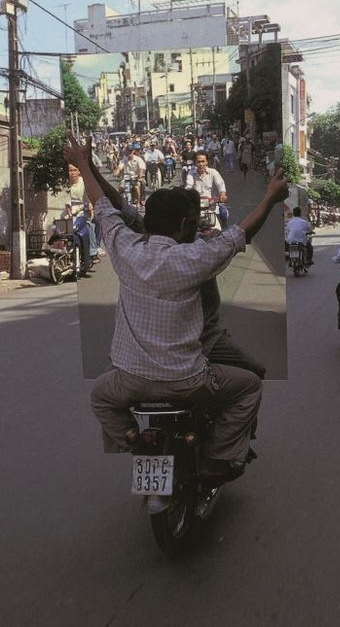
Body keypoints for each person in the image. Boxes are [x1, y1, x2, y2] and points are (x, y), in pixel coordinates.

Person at [64, 134, 289, 484]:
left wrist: (85, 165)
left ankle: (130, 437)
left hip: (137, 374)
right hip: (190, 371)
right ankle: (220, 455)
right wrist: (272, 197)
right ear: (186, 224)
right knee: (249, 384)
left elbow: (105, 206)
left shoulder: (127, 247)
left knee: (100, 395)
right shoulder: (198, 255)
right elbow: (243, 233)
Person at [185, 151, 228, 228]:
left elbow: (220, 184)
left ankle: (224, 229)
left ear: (207, 162)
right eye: (198, 162)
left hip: (212, 207)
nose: (201, 164)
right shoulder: (191, 173)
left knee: (224, 213)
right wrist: (187, 194)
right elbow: (189, 185)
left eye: (203, 161)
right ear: (195, 163)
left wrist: (222, 194)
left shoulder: (213, 172)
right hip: (197, 207)